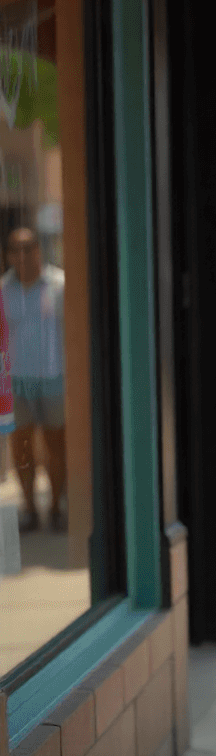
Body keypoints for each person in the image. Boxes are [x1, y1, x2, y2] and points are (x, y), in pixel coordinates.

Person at [2, 227, 67, 533]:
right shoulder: (3, 290)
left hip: (54, 377)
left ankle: (55, 507)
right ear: (9, 255)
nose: (23, 255)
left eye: (29, 248)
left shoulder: (59, 284)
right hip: (16, 380)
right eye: (17, 249)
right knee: (22, 447)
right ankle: (29, 509)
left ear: (40, 251)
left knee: (56, 444)